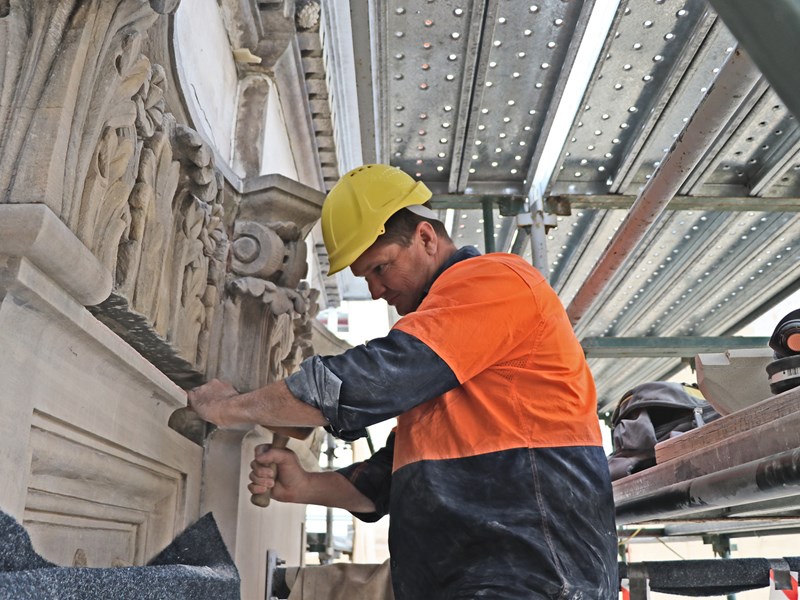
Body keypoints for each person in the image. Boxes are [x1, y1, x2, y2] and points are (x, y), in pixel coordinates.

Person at [188, 164, 618, 599]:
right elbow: (388, 482)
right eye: (366, 278)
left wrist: (230, 408)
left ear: (426, 238)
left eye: (381, 268)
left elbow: (368, 381)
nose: (376, 291)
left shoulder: (497, 281)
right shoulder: (446, 363)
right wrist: (305, 486)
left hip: (535, 578)